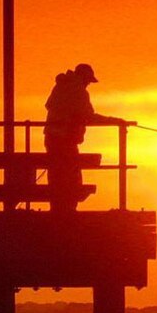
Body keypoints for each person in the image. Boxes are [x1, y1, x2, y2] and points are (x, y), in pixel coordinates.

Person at [44, 63, 119, 212]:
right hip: (66, 140)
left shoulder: (60, 86)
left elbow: (48, 105)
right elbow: (89, 116)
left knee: (56, 176)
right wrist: (112, 120)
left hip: (51, 137)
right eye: (88, 81)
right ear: (83, 78)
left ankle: (57, 210)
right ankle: (68, 212)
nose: (88, 84)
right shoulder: (79, 91)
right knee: (72, 178)